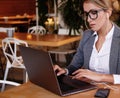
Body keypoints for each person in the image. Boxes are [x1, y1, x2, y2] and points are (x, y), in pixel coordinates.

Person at [54, 0, 120, 84]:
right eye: (87, 14)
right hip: (88, 90)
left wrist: (101, 77)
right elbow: (74, 65)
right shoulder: (87, 35)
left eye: (93, 12)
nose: (88, 19)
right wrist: (65, 71)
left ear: (108, 13)